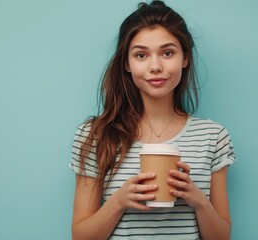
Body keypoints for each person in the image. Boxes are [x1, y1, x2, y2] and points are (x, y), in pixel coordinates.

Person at [69, 1, 236, 239]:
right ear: (126, 63)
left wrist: (198, 201)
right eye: (141, 55)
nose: (155, 66)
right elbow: (80, 236)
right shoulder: (94, 135)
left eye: (168, 53)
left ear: (185, 58)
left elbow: (222, 237)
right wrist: (119, 201)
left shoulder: (213, 137)